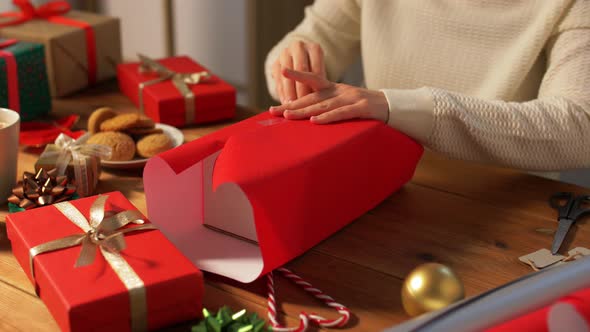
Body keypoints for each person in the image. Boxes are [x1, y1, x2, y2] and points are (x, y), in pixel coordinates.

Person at [264, 0, 590, 171]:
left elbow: (580, 126)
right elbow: (310, 36)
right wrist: (293, 68)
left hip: (499, 204)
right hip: (373, 181)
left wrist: (398, 108)